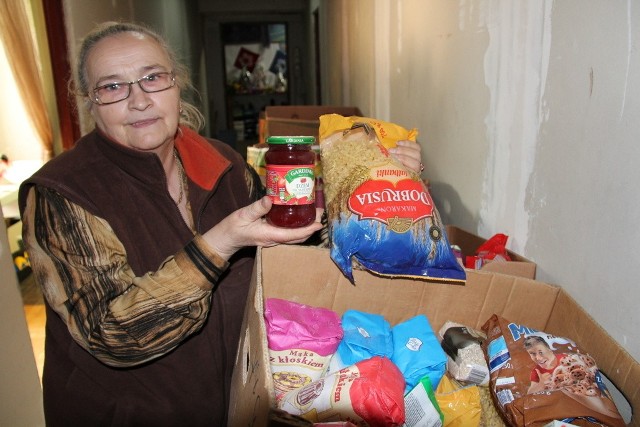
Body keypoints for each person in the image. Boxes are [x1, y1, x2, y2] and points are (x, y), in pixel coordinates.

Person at [18, 21, 424, 426]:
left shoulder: (222, 163)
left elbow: (287, 260)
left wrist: (380, 185)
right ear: (90, 103)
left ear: (177, 85)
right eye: (112, 87)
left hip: (228, 404)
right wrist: (219, 243)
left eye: (152, 78)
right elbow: (113, 333)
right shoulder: (63, 192)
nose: (138, 100)